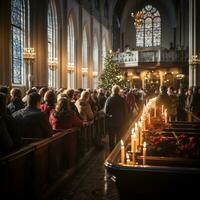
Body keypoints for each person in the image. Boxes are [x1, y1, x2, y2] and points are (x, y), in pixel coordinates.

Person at [104, 85, 128, 151]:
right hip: (120, 122)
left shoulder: (109, 99)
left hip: (111, 122)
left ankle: (111, 152)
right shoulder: (122, 100)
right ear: (118, 91)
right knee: (119, 137)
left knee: (111, 138)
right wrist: (125, 121)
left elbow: (105, 111)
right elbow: (125, 111)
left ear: (112, 91)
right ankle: (118, 151)